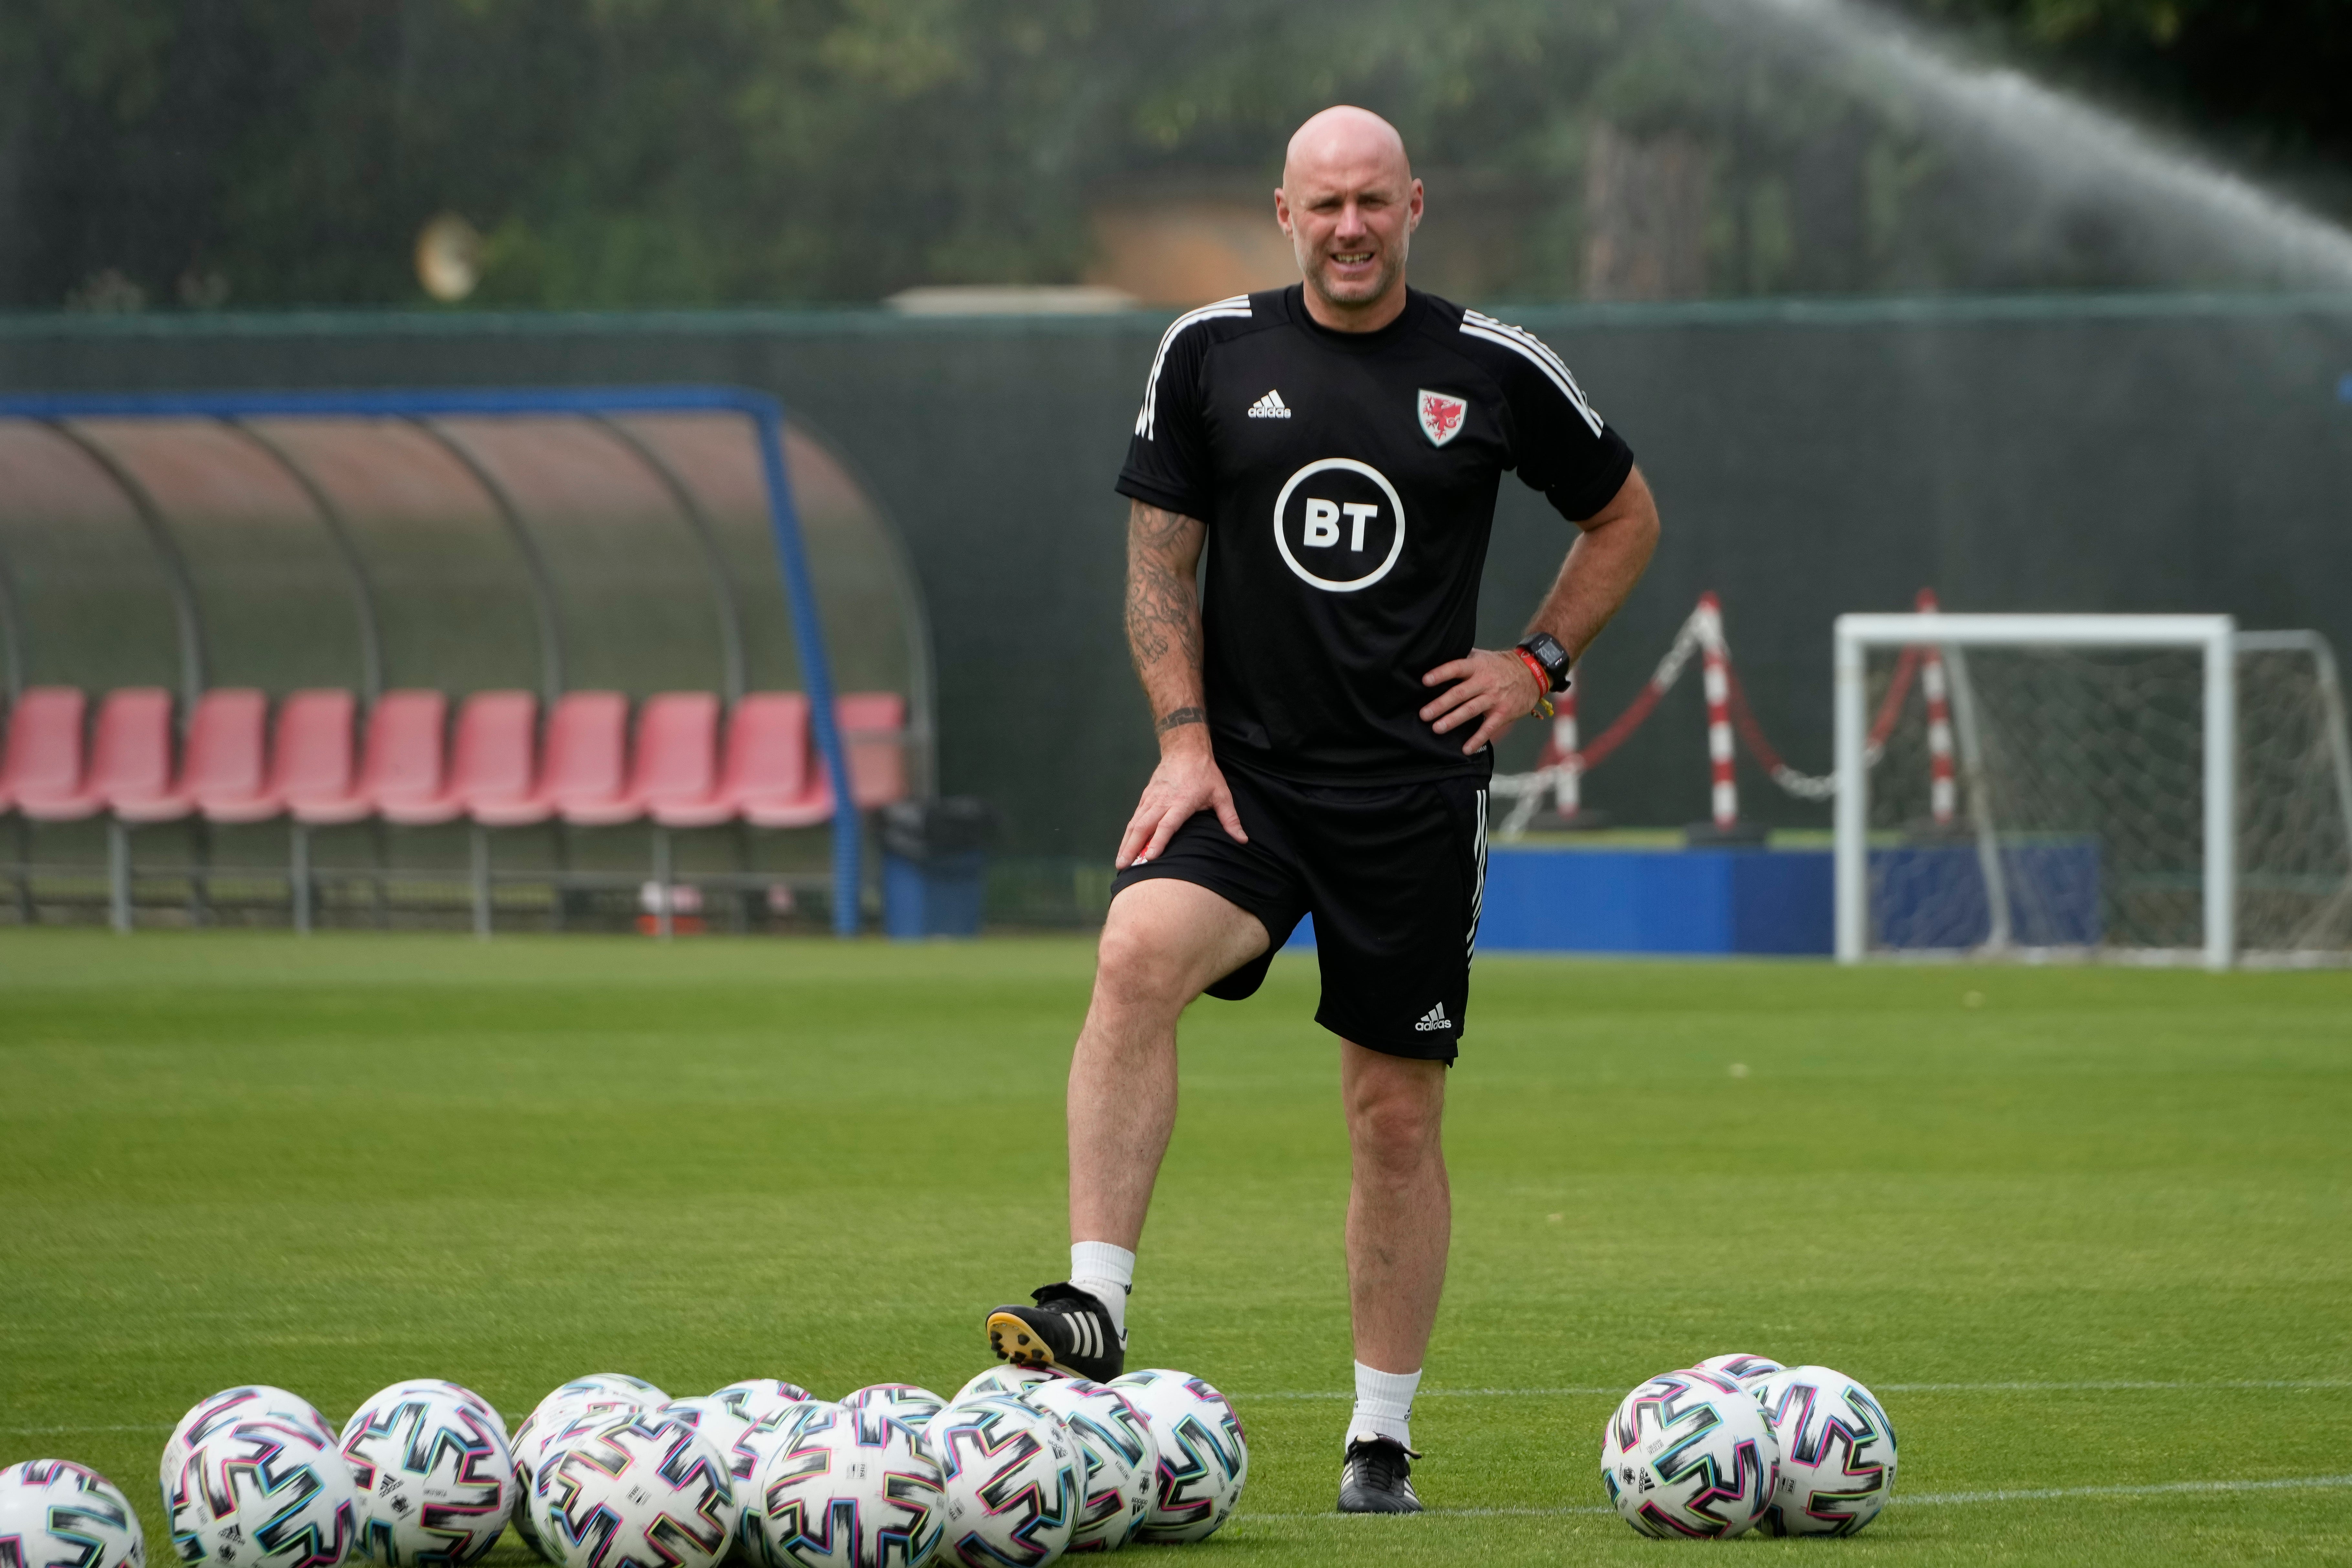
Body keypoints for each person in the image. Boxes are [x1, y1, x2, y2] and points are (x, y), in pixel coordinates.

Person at [983, 104, 1660, 1513]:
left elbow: (1625, 515)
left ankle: (1379, 1439)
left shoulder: (1494, 366)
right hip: (1245, 778)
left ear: (1413, 206)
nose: (1350, 226)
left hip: (1411, 798)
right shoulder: (1208, 353)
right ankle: (1094, 1302)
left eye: (1372, 200)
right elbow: (1157, 569)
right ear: (1283, 214)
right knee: (1134, 954)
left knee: (1390, 1117)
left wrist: (1535, 663)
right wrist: (1182, 741)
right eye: (1324, 203)